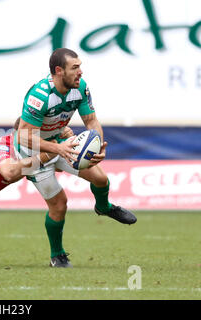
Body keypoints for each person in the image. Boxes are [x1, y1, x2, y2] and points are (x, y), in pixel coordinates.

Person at [17, 48, 137, 268]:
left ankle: (103, 207)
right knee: (60, 204)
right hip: (33, 155)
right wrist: (56, 149)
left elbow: (91, 122)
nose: (81, 72)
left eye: (80, 66)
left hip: (61, 144)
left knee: (101, 179)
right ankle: (57, 255)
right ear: (59, 71)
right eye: (75, 67)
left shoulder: (80, 87)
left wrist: (98, 145)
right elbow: (24, 136)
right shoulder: (40, 95)